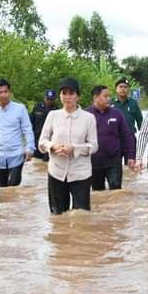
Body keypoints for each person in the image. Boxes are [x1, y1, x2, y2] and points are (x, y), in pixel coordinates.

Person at [39, 77, 98, 214]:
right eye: (63, 93)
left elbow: (94, 146)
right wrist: (52, 146)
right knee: (58, 216)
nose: (67, 97)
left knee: (81, 216)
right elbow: (42, 142)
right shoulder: (53, 116)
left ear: (78, 96)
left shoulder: (88, 118)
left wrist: (74, 149)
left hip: (80, 174)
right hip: (56, 172)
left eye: (71, 93)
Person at [86, 85, 136, 190]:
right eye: (105, 96)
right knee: (97, 193)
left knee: (116, 192)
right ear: (95, 98)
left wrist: (131, 156)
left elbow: (127, 136)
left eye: (109, 96)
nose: (109, 98)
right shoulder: (86, 115)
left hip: (114, 161)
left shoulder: (117, 114)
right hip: (93, 162)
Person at [30, 89, 58, 161]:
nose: (49, 101)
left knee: (47, 162)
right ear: (44, 98)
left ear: (55, 99)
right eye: (47, 99)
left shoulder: (57, 111)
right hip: (36, 140)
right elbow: (30, 122)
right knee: (36, 163)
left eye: (51, 99)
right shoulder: (37, 107)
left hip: (50, 142)